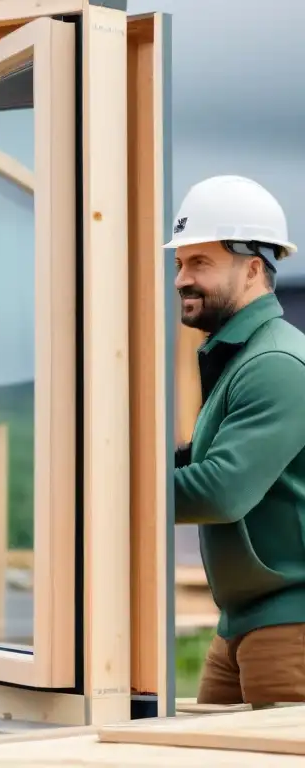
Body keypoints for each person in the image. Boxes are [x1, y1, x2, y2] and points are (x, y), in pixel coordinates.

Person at [166, 175, 305, 707]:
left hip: (289, 625)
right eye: (180, 264)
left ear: (253, 268)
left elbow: (222, 491)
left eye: (200, 263)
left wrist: (118, 497)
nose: (182, 279)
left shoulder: (273, 362)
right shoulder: (238, 359)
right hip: (242, 621)